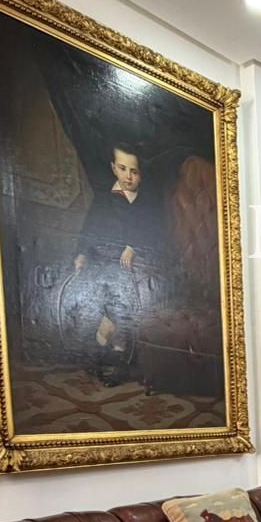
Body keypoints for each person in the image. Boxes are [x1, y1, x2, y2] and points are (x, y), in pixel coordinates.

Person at [68, 140, 163, 384]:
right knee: (99, 301)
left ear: (141, 173)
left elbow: (152, 231)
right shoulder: (104, 199)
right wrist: (81, 254)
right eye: (122, 169)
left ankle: (117, 359)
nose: (128, 177)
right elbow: (90, 228)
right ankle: (99, 351)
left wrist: (132, 246)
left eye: (134, 171)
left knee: (121, 307)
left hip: (133, 263)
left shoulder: (146, 202)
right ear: (113, 168)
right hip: (102, 259)